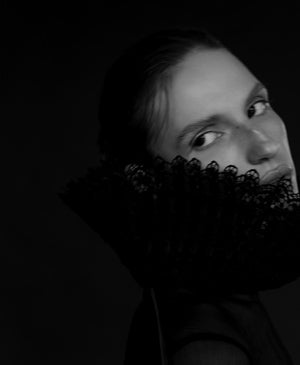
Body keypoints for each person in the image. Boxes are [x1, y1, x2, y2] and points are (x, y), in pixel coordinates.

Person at [58, 28, 300, 364]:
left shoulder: (219, 298)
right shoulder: (207, 349)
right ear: (147, 182)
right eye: (206, 137)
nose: (266, 145)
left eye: (256, 107)